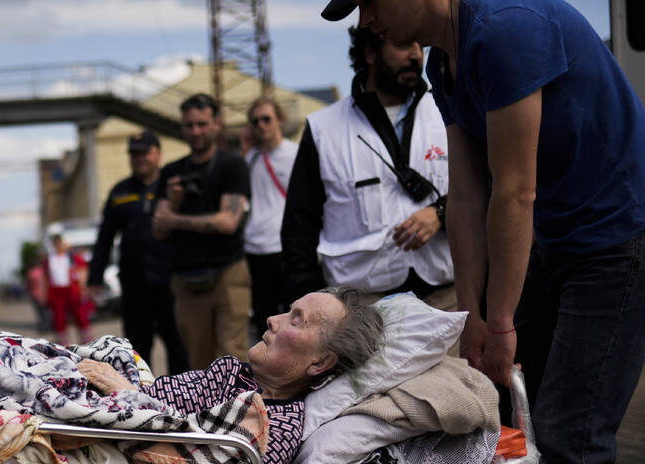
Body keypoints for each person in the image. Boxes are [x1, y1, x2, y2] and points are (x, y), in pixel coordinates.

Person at [323, 0, 645, 464]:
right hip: (562, 243)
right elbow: (467, 195)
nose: (368, 22)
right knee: (543, 433)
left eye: (372, 3)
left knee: (568, 436)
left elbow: (516, 192)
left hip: (619, 239)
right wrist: (471, 317)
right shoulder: (448, 58)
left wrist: (501, 320)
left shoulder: (505, 29)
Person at [79, 287, 384, 464]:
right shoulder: (232, 373)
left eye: (296, 321)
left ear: (319, 363)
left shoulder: (274, 426)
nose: (272, 319)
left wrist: (128, 400)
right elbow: (158, 395)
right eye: (287, 310)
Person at [281, 26, 453, 311]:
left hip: (447, 299)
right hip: (362, 310)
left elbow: (485, 186)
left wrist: (440, 213)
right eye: (402, 44)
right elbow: (299, 229)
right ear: (370, 53)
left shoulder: (447, 110)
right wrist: (308, 306)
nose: (415, 55)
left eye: (420, 46)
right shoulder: (322, 128)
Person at [152, 93, 252, 370]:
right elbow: (159, 229)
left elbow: (228, 222)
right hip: (186, 281)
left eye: (202, 124)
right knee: (198, 363)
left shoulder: (233, 165)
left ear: (217, 123)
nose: (195, 131)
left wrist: (177, 218)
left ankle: (239, 413)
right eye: (189, 125)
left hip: (228, 275)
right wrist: (172, 202)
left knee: (232, 360)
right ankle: (207, 414)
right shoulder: (172, 172)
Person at [89, 130, 189, 373]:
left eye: (144, 152)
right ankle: (143, 400)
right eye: (133, 154)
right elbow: (105, 237)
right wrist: (95, 277)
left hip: (170, 282)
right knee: (137, 350)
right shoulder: (120, 192)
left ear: (157, 154)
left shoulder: (173, 188)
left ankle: (180, 397)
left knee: (178, 344)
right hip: (135, 285)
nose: (139, 158)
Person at [241, 98, 299, 335]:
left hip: (285, 245)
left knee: (293, 316)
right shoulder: (251, 157)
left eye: (266, 119)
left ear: (280, 120)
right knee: (263, 319)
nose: (261, 125)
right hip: (255, 247)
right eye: (255, 121)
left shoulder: (294, 153)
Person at [41, 232, 91, 345]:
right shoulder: (49, 260)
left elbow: (83, 271)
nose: (58, 245)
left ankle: (86, 341)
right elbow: (45, 278)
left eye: (60, 242)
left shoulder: (72, 257)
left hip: (72, 290)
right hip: (56, 292)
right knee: (59, 319)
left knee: (80, 315)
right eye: (56, 243)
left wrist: (82, 287)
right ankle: (63, 344)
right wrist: (44, 294)